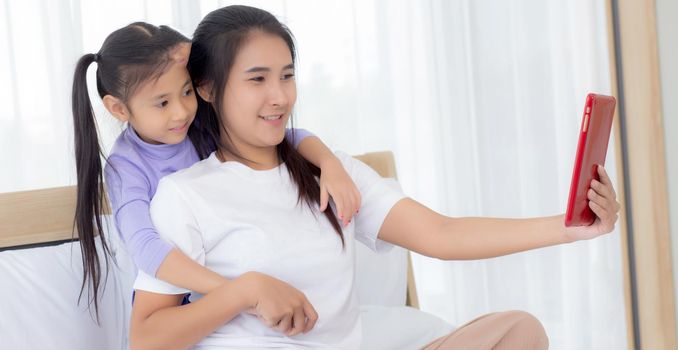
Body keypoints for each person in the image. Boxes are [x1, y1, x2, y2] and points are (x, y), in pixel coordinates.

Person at [129, 5, 620, 350]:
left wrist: (570, 225)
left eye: (287, 74)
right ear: (209, 88)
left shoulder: (328, 172)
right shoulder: (185, 194)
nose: (279, 96)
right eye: (257, 79)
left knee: (518, 331)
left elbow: (442, 234)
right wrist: (244, 289)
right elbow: (145, 337)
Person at [71, 21, 361, 316]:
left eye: (186, 92)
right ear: (118, 109)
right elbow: (146, 248)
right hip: (177, 297)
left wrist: (329, 164)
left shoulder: (197, 125)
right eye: (162, 103)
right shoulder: (125, 168)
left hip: (230, 276)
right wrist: (237, 292)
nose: (181, 111)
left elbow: (287, 137)